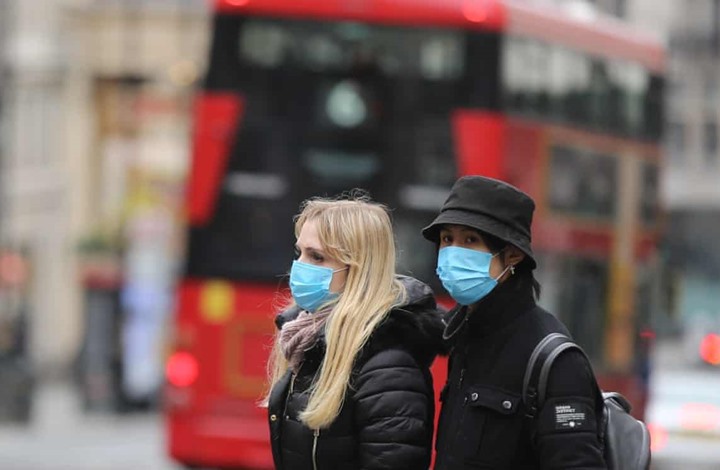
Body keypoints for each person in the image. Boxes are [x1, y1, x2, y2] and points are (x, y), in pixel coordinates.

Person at [423, 176, 606, 469]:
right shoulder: (464, 339)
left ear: (512, 255)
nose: (452, 252)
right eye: (447, 239)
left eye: (470, 240)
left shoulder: (555, 361)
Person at [265, 195, 445, 470]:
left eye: (317, 256)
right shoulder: (308, 341)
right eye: (299, 252)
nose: (299, 266)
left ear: (359, 269)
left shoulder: (388, 369)